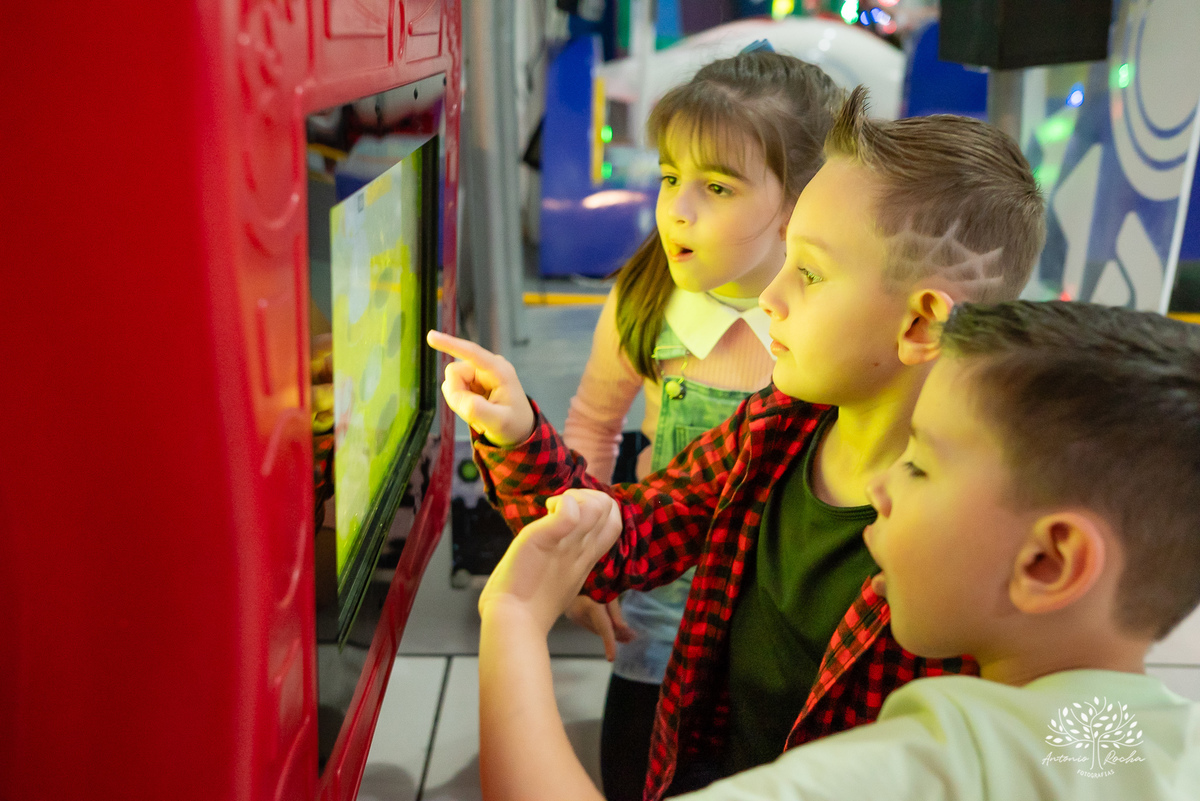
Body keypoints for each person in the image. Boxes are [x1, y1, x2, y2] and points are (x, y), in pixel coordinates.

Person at [428, 86, 1046, 798]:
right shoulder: (775, 427)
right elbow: (627, 536)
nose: (772, 295)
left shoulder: (980, 568)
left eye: (808, 272)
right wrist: (517, 436)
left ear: (920, 324)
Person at [475, 300, 1200, 801]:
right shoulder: (1163, 741)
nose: (882, 489)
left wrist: (511, 619)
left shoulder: (925, 767)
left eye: (919, 464)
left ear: (1049, 561)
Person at [559, 50, 844, 801]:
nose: (677, 209)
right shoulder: (646, 298)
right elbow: (592, 423)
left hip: (781, 630)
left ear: (799, 202)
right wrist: (582, 558)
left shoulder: (831, 323)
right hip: (658, 617)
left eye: (715, 187)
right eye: (668, 176)